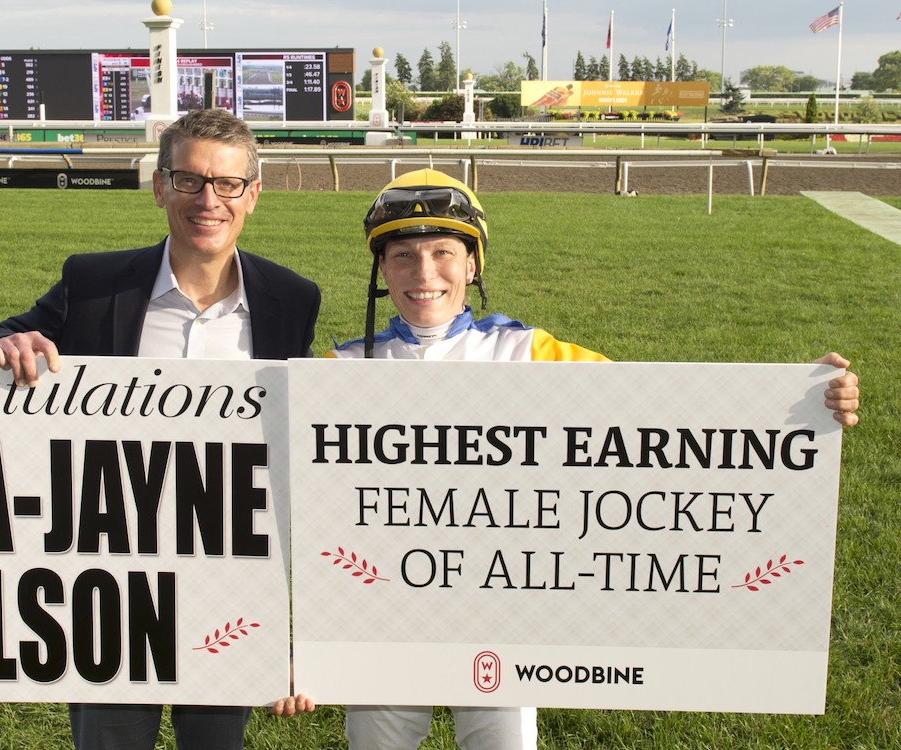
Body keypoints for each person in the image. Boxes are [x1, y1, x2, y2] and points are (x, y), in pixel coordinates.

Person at [331, 168, 861, 750]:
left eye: (443, 252)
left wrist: (801, 400)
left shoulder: (526, 351)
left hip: (503, 611)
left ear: (474, 263)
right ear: (382, 268)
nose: (423, 273)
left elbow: (666, 416)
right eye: (403, 255)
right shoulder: (336, 368)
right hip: (380, 608)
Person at [0, 107, 318, 749]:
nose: (207, 199)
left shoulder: (292, 299)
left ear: (253, 195)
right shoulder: (95, 283)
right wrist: (9, 342)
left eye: (227, 183)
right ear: (159, 186)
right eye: (188, 180)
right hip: (108, 576)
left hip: (226, 573)